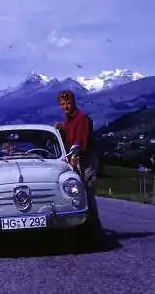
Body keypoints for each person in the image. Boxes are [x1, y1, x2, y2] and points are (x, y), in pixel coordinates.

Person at [54, 90, 103, 232]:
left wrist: (74, 156)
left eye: (68, 103)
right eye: (63, 104)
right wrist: (61, 131)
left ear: (74, 102)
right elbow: (68, 140)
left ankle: (94, 227)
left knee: (87, 193)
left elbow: (80, 142)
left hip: (86, 160)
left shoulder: (82, 118)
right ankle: (83, 226)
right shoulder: (67, 121)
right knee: (78, 193)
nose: (66, 106)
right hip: (77, 160)